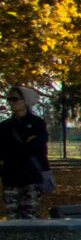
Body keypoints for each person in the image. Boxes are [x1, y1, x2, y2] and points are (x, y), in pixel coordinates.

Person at [2, 85, 50, 219]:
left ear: (25, 101)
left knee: (29, 215)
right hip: (10, 178)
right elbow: (3, 151)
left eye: (15, 99)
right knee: (12, 217)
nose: (11, 103)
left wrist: (21, 148)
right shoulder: (5, 126)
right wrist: (25, 145)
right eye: (9, 100)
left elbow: (39, 147)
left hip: (31, 177)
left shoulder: (37, 123)